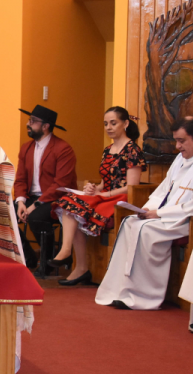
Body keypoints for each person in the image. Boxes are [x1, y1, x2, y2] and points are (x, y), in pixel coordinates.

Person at [97, 116, 193, 310]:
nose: (177, 146)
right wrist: (148, 208)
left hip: (186, 220)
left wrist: (160, 214)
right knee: (129, 222)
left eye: (181, 141)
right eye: (176, 141)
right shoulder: (181, 158)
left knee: (146, 231)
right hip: (166, 215)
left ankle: (144, 296)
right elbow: (164, 188)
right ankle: (120, 289)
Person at [48, 108, 145, 286]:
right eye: (106, 124)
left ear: (125, 123)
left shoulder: (132, 149)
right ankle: (78, 263)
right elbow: (104, 181)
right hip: (104, 195)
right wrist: (94, 188)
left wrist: (103, 193)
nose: (108, 127)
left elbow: (131, 187)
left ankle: (69, 254)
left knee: (75, 207)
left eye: (113, 123)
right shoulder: (107, 149)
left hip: (121, 199)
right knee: (69, 203)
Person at [13, 105, 77, 269]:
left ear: (45, 126)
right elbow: (20, 180)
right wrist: (20, 202)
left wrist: (35, 205)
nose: (28, 124)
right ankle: (28, 258)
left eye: (33, 121)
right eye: (29, 120)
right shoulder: (26, 148)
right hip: (30, 198)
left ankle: (49, 259)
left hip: (55, 199)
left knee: (36, 217)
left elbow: (60, 184)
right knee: (3, 213)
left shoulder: (63, 149)